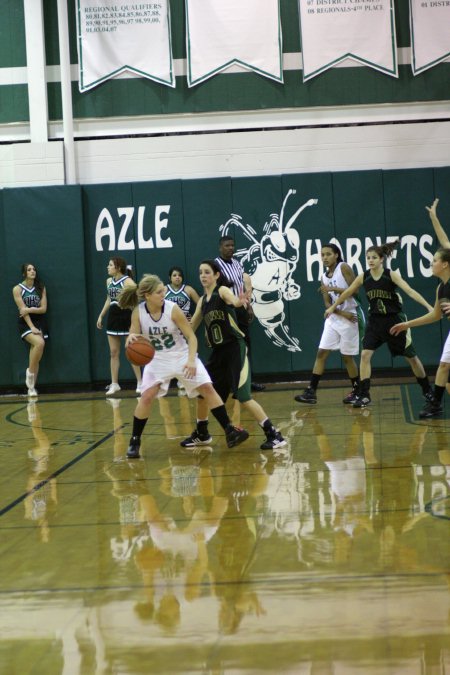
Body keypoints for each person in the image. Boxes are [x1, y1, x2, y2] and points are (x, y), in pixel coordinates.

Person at [118, 274, 249, 459]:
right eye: (159, 292)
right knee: (146, 397)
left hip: (181, 355)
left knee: (207, 388)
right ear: (147, 295)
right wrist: (130, 339)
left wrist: (190, 360)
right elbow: (132, 335)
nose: (164, 294)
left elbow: (192, 337)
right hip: (157, 359)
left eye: (164, 290)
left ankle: (229, 430)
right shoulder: (138, 312)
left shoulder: (172, 309)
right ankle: (134, 441)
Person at [182, 259, 286, 450]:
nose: (203, 275)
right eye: (200, 272)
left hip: (234, 348)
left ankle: (274, 434)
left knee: (243, 396)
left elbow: (233, 300)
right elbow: (190, 328)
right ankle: (202, 432)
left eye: (207, 272)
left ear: (216, 275)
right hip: (218, 353)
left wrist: (240, 301)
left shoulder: (221, 291)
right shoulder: (202, 303)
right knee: (203, 392)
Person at [324, 240, 434, 408]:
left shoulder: (391, 275)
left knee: (411, 357)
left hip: (394, 321)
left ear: (382, 259)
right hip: (375, 322)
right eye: (368, 257)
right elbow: (348, 291)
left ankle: (427, 389)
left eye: (374, 257)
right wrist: (333, 306)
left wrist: (428, 306)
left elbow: (410, 291)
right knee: (365, 355)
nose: (370, 260)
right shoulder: (364, 276)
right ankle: (365, 394)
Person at [294, 243, 364, 405]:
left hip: (351, 315)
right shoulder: (324, 277)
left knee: (347, 356)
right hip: (336, 316)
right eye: (322, 255)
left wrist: (337, 291)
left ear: (336, 255)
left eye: (328, 254)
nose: (324, 258)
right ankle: (311, 391)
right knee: (321, 353)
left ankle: (357, 389)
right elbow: (327, 304)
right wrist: (340, 312)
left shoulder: (343, 267)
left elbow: (356, 290)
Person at [390, 247, 450, 418]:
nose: (432, 263)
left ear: (445, 264)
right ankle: (436, 404)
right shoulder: (441, 288)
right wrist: (407, 324)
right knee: (444, 366)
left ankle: (435, 403)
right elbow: (436, 315)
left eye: (436, 260)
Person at [215, 235, 265, 392]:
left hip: (240, 309)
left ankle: (247, 381)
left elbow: (242, 288)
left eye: (232, 245)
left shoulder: (237, 263)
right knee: (230, 347)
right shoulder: (215, 265)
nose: (231, 248)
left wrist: (248, 306)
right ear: (220, 247)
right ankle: (230, 382)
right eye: (227, 245)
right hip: (226, 310)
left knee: (246, 346)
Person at [97, 257, 142, 396]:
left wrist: (135, 320)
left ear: (118, 267)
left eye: (110, 265)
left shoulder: (128, 282)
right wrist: (101, 315)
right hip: (113, 316)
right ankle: (115, 383)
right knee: (113, 352)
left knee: (131, 350)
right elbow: (109, 299)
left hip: (126, 316)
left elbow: (137, 299)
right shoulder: (108, 281)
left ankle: (140, 382)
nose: (107, 267)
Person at [13, 263, 48, 397]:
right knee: (39, 343)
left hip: (39, 321)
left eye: (34, 269)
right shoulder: (17, 289)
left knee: (36, 351)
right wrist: (31, 327)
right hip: (26, 322)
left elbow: (43, 309)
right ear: (24, 273)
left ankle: (31, 388)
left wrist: (30, 309)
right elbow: (23, 311)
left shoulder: (41, 287)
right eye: (29, 270)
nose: (32, 271)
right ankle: (30, 373)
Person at [165, 266, 200, 395]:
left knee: (185, 351)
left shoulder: (188, 289)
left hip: (185, 324)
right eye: (174, 275)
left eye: (179, 275)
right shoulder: (164, 290)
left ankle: (184, 379)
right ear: (170, 277)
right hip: (170, 325)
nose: (177, 277)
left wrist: (194, 317)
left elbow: (201, 302)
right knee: (171, 352)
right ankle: (169, 378)